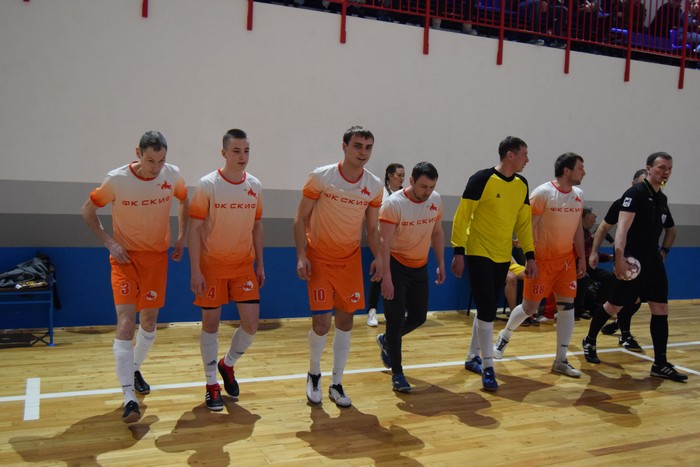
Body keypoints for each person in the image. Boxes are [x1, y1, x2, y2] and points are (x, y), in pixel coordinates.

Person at [81, 131, 189, 423]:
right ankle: (129, 397)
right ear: (138, 153)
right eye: (151, 160)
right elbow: (88, 211)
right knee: (127, 323)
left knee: (149, 322)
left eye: (161, 160)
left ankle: (135, 368)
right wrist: (109, 242)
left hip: (156, 258)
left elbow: (184, 200)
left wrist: (182, 237)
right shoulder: (117, 179)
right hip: (125, 259)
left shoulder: (172, 175)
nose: (156, 167)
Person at [294, 125, 384, 407]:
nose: (363, 152)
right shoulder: (322, 177)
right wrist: (301, 255)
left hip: (349, 262)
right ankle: (314, 374)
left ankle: (337, 383)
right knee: (322, 324)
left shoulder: (374, 186)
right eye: (357, 146)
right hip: (319, 259)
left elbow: (372, 228)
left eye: (368, 147)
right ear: (344, 146)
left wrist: (380, 257)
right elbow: (300, 218)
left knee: (345, 322)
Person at [582, 153, 687, 382]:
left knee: (661, 308)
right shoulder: (634, 194)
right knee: (614, 305)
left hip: (653, 262)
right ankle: (589, 340)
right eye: (661, 167)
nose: (666, 172)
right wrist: (618, 259)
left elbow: (670, 229)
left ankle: (660, 363)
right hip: (632, 262)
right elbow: (620, 230)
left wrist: (664, 252)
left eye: (669, 168)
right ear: (648, 168)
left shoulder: (661, 199)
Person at [451, 136, 536, 391]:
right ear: (510, 155)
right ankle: (488, 367)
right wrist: (458, 252)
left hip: (502, 255)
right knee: (487, 307)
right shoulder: (481, 179)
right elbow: (462, 216)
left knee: (486, 307)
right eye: (524, 154)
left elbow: (523, 223)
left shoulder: (521, 185)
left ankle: (472, 357)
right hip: (478, 251)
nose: (527, 160)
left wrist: (530, 255)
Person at [188, 129, 265, 412]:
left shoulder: (254, 185)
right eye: (236, 151)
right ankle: (211, 384)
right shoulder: (208, 184)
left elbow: (257, 226)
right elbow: (195, 229)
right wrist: (195, 270)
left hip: (243, 266)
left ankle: (227, 364)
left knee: (251, 324)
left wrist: (260, 263)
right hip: (212, 267)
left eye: (246, 151)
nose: (242, 156)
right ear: (224, 153)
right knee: (210, 325)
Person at [494, 153, 587, 379]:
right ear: (566, 170)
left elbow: (577, 229)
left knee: (567, 308)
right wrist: (530, 258)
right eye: (580, 168)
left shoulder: (578, 195)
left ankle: (560, 360)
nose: (584, 172)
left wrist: (582, 258)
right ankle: (505, 335)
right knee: (529, 308)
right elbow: (528, 227)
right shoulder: (542, 193)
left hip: (566, 262)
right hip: (541, 261)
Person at [375, 162, 446, 393]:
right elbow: (383, 243)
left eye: (432, 187)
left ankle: (386, 339)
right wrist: (386, 277)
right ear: (412, 181)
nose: (428, 192)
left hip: (420, 266)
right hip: (396, 265)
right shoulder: (393, 204)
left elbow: (437, 233)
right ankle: (397, 373)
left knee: (418, 317)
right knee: (395, 321)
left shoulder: (435, 200)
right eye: (423, 186)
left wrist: (441, 263)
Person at [592, 168, 646, 348]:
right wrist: (594, 251)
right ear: (633, 183)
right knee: (617, 301)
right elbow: (603, 228)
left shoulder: (656, 202)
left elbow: (670, 229)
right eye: (641, 183)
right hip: (627, 257)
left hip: (645, 259)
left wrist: (663, 252)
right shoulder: (623, 203)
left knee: (637, 299)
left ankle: (619, 325)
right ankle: (616, 335)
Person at [367, 162, 405, 327]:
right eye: (399, 175)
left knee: (398, 277)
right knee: (379, 274)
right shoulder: (380, 193)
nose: (402, 178)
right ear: (390, 175)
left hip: (399, 242)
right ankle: (372, 311)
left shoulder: (405, 194)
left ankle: (393, 313)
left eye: (403, 176)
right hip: (381, 240)